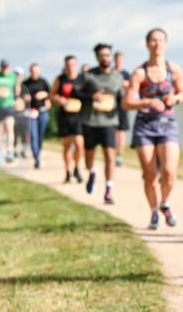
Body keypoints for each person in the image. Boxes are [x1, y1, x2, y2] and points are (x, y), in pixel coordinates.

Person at [123, 28, 183, 229]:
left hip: (168, 124)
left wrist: (175, 98)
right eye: (153, 40)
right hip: (145, 126)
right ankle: (153, 211)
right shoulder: (139, 72)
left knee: (169, 172)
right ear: (147, 44)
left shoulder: (173, 69)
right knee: (150, 174)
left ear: (166, 44)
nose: (157, 44)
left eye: (161, 40)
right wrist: (147, 102)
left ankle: (165, 203)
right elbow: (127, 102)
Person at [78, 43, 123, 204]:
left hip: (109, 122)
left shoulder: (118, 76)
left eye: (108, 55)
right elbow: (76, 92)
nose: (106, 58)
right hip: (90, 121)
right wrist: (91, 96)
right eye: (102, 55)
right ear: (97, 57)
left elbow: (121, 98)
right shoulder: (88, 75)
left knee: (110, 156)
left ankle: (109, 190)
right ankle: (92, 172)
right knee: (89, 155)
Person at [51, 55, 85, 183]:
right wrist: (59, 99)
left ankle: (77, 167)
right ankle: (68, 172)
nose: (70, 67)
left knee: (79, 143)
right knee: (66, 145)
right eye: (68, 65)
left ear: (76, 65)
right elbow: (52, 95)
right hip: (65, 116)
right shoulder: (60, 79)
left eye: (72, 65)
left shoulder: (82, 79)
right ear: (65, 66)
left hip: (79, 115)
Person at [0, 59, 18, 164]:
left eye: (6, 67)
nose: (5, 69)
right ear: (0, 67)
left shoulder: (13, 77)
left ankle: (10, 151)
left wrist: (17, 100)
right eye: (3, 67)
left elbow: (17, 90)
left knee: (9, 127)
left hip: (9, 106)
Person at [23, 63, 52, 169]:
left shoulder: (43, 82)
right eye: (33, 72)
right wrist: (26, 98)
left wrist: (44, 95)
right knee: (33, 135)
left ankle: (38, 152)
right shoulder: (25, 83)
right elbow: (20, 96)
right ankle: (36, 157)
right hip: (30, 112)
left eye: (37, 72)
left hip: (42, 111)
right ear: (30, 72)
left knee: (40, 136)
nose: (35, 74)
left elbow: (50, 94)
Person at [114, 50, 132, 167]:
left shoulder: (126, 74)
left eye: (120, 59)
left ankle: (119, 154)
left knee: (121, 131)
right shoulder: (111, 72)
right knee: (112, 130)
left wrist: (126, 84)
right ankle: (112, 153)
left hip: (122, 104)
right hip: (111, 105)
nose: (118, 61)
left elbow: (132, 88)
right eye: (117, 59)